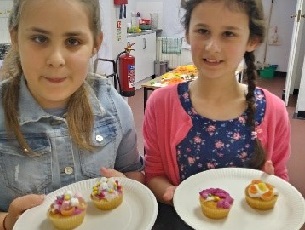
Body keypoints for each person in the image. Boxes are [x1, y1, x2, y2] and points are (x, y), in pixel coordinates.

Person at [0, 0, 144, 229]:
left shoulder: (114, 107)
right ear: (15, 38)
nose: (56, 59)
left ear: (96, 43)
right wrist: (7, 222)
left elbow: (133, 172)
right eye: (40, 39)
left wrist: (130, 188)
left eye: (73, 41)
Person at [143, 0, 290, 206]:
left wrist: (271, 187)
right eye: (202, 31)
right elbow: (154, 173)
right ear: (188, 33)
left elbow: (280, 179)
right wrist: (171, 192)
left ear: (252, 40)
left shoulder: (273, 110)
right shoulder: (161, 104)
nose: (212, 47)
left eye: (228, 34)